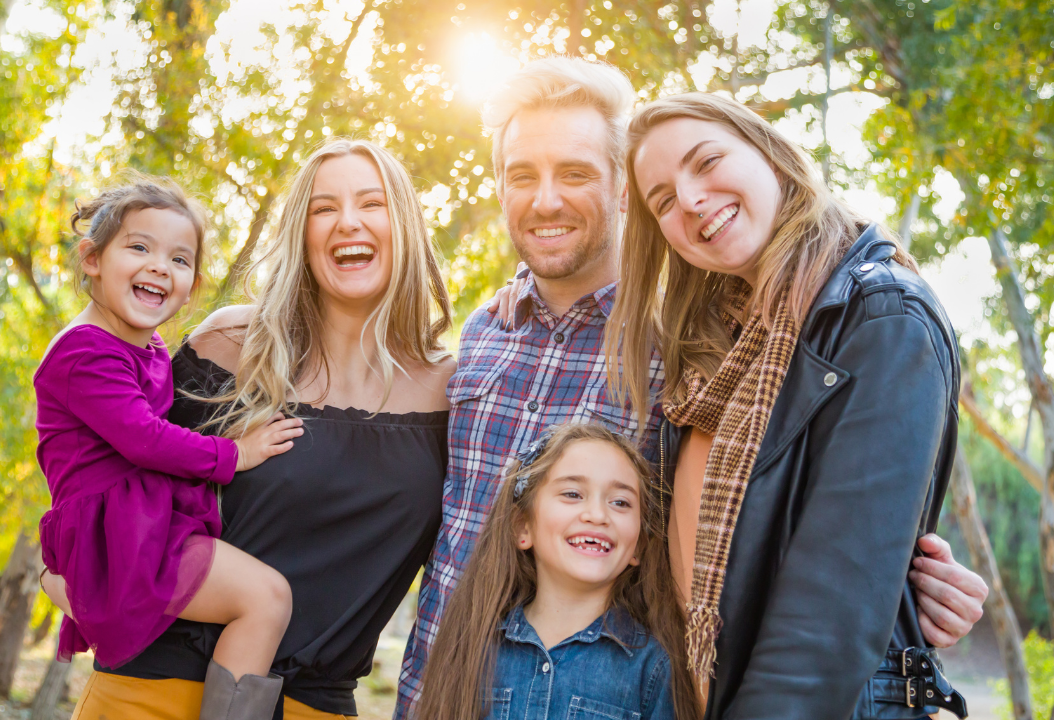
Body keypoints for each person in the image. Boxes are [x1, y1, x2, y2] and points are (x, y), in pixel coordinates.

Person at [395, 57, 988, 719]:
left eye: (576, 173)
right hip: (432, 691)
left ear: (622, 194)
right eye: (522, 175)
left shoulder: (692, 351)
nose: (547, 200)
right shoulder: (484, 332)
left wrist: (903, 583)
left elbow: (803, 508)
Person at [53, 142, 456, 720]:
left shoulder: (458, 392)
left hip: (316, 706)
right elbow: (106, 465)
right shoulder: (228, 345)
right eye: (323, 208)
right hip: (149, 693)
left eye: (373, 203)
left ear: (406, 226)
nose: (348, 222)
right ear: (301, 233)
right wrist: (60, 562)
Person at [608, 91, 969, 718]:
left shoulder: (883, 317)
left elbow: (829, 616)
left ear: (771, 154)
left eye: (707, 161)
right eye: (662, 200)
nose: (689, 200)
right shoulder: (710, 355)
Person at [35, 174, 301, 719]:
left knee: (263, 595)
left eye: (179, 259)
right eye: (139, 247)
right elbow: (144, 438)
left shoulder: (150, 346)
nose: (160, 266)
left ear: (191, 284)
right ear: (92, 259)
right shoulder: (86, 351)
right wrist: (237, 454)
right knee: (267, 598)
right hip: (118, 537)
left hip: (135, 524)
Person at [420, 422, 699, 720]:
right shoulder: (474, 646)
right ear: (522, 527)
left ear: (639, 546)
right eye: (573, 494)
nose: (597, 515)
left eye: (620, 502)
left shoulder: (654, 666)